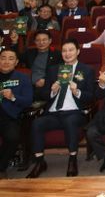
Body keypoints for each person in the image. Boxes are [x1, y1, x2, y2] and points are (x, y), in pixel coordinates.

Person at [27, 39, 95, 178]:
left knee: (70, 121)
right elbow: (42, 94)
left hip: (75, 112)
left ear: (78, 52)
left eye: (71, 50)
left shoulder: (86, 70)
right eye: (64, 51)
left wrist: (77, 91)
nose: (67, 53)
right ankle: (40, 162)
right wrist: (52, 91)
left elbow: (91, 96)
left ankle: (72, 160)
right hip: (54, 112)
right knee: (37, 123)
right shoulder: (53, 70)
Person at [0, 47, 33, 179]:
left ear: (16, 62)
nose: (6, 61)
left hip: (9, 117)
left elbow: (28, 101)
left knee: (12, 137)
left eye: (10, 59)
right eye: (3, 58)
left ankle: (1, 167)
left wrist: (13, 97)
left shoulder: (23, 78)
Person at [9, 29, 62, 101]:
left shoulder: (57, 54)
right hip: (29, 84)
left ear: (50, 41)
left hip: (47, 86)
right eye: (38, 40)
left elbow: (60, 72)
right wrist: (15, 42)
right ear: (34, 42)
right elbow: (15, 57)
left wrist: (46, 81)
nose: (41, 42)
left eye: (44, 40)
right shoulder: (30, 52)